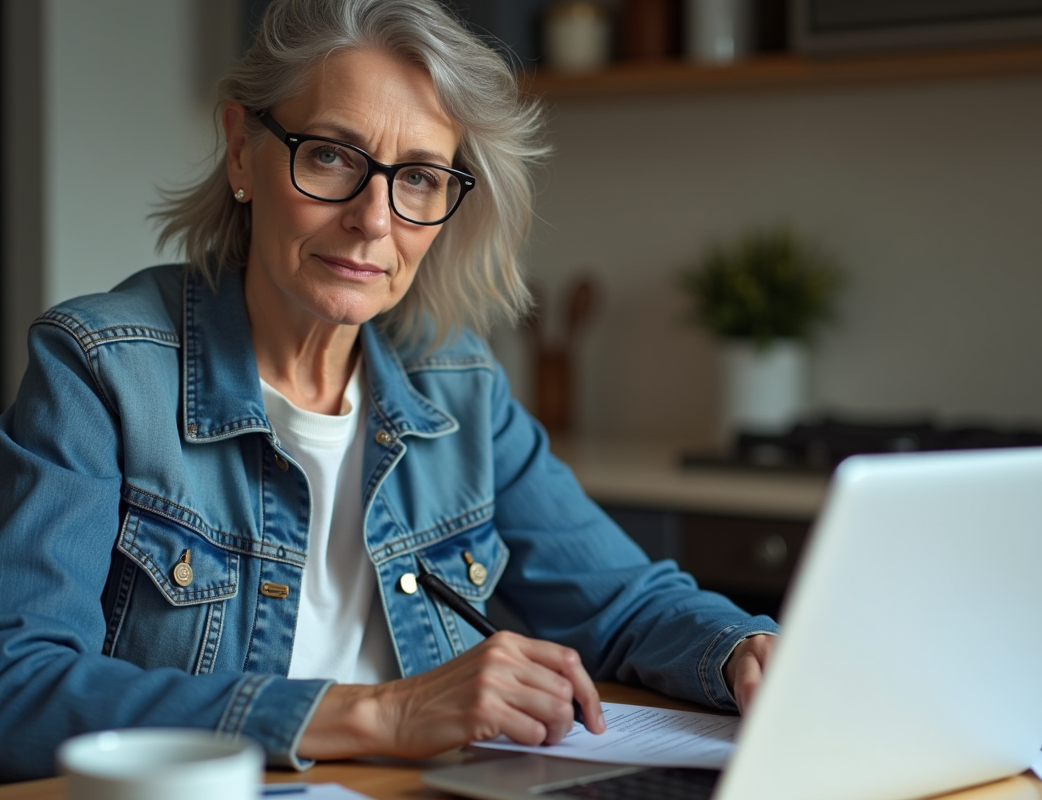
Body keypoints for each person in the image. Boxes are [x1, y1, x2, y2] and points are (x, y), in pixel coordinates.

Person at [0, 0, 777, 782]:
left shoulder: (456, 383)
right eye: (332, 156)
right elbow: (17, 688)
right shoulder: (100, 369)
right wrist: (379, 712)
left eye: (418, 178)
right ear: (242, 152)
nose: (375, 220)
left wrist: (744, 649)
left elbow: (624, 602)